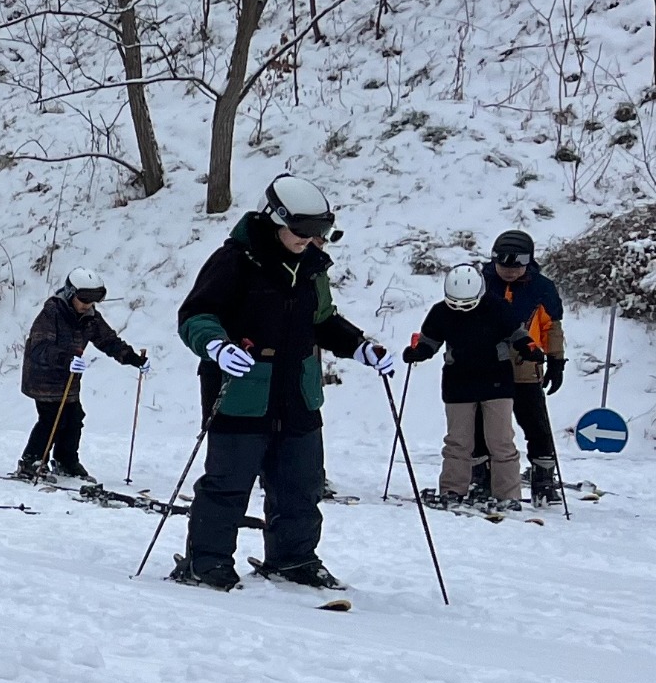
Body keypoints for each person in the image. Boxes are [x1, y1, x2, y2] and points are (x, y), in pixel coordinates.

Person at [170, 172, 396, 592]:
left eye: (318, 232)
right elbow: (196, 316)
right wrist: (216, 347)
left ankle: (292, 560)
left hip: (297, 392)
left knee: (301, 484)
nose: (309, 240)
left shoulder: (312, 268)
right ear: (273, 219)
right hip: (241, 392)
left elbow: (322, 320)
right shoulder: (235, 260)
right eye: (300, 231)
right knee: (227, 484)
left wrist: (359, 346)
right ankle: (207, 562)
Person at [401, 262, 520, 506]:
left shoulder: (497, 307)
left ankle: (508, 495)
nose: (461, 310)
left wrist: (529, 349)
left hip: (496, 380)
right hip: (459, 382)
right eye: (455, 304)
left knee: (501, 441)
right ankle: (452, 490)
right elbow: (430, 341)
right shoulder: (440, 312)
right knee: (458, 441)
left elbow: (517, 334)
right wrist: (419, 352)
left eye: (467, 304)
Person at [14, 270, 149, 482]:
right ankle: (31, 462)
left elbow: (108, 341)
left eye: (94, 299)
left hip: (70, 378)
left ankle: (65, 461)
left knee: (74, 418)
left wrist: (132, 358)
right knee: (51, 419)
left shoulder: (90, 318)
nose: (88, 304)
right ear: (70, 293)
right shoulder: (52, 313)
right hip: (43, 376)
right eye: (84, 298)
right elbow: (40, 347)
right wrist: (66, 359)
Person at [481, 229, 569, 502]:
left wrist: (556, 361)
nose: (509, 271)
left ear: (528, 261)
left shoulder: (542, 288)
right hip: (487, 369)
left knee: (536, 425)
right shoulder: (481, 283)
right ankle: (482, 476)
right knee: (482, 427)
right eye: (503, 264)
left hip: (525, 370)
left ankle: (544, 478)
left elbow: (551, 327)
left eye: (516, 264)